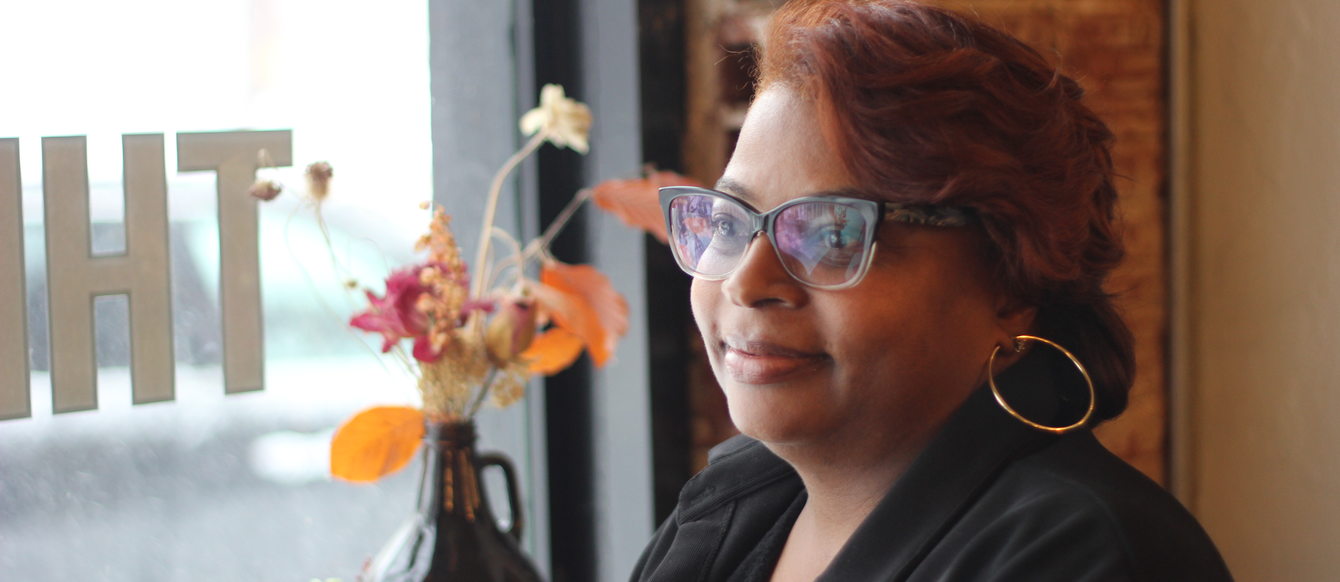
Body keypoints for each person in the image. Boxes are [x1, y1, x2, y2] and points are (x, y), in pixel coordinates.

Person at [633, 1, 1231, 580]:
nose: (745, 281)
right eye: (725, 221)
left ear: (1010, 276)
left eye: (831, 232)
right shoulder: (730, 506)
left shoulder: (1081, 554)